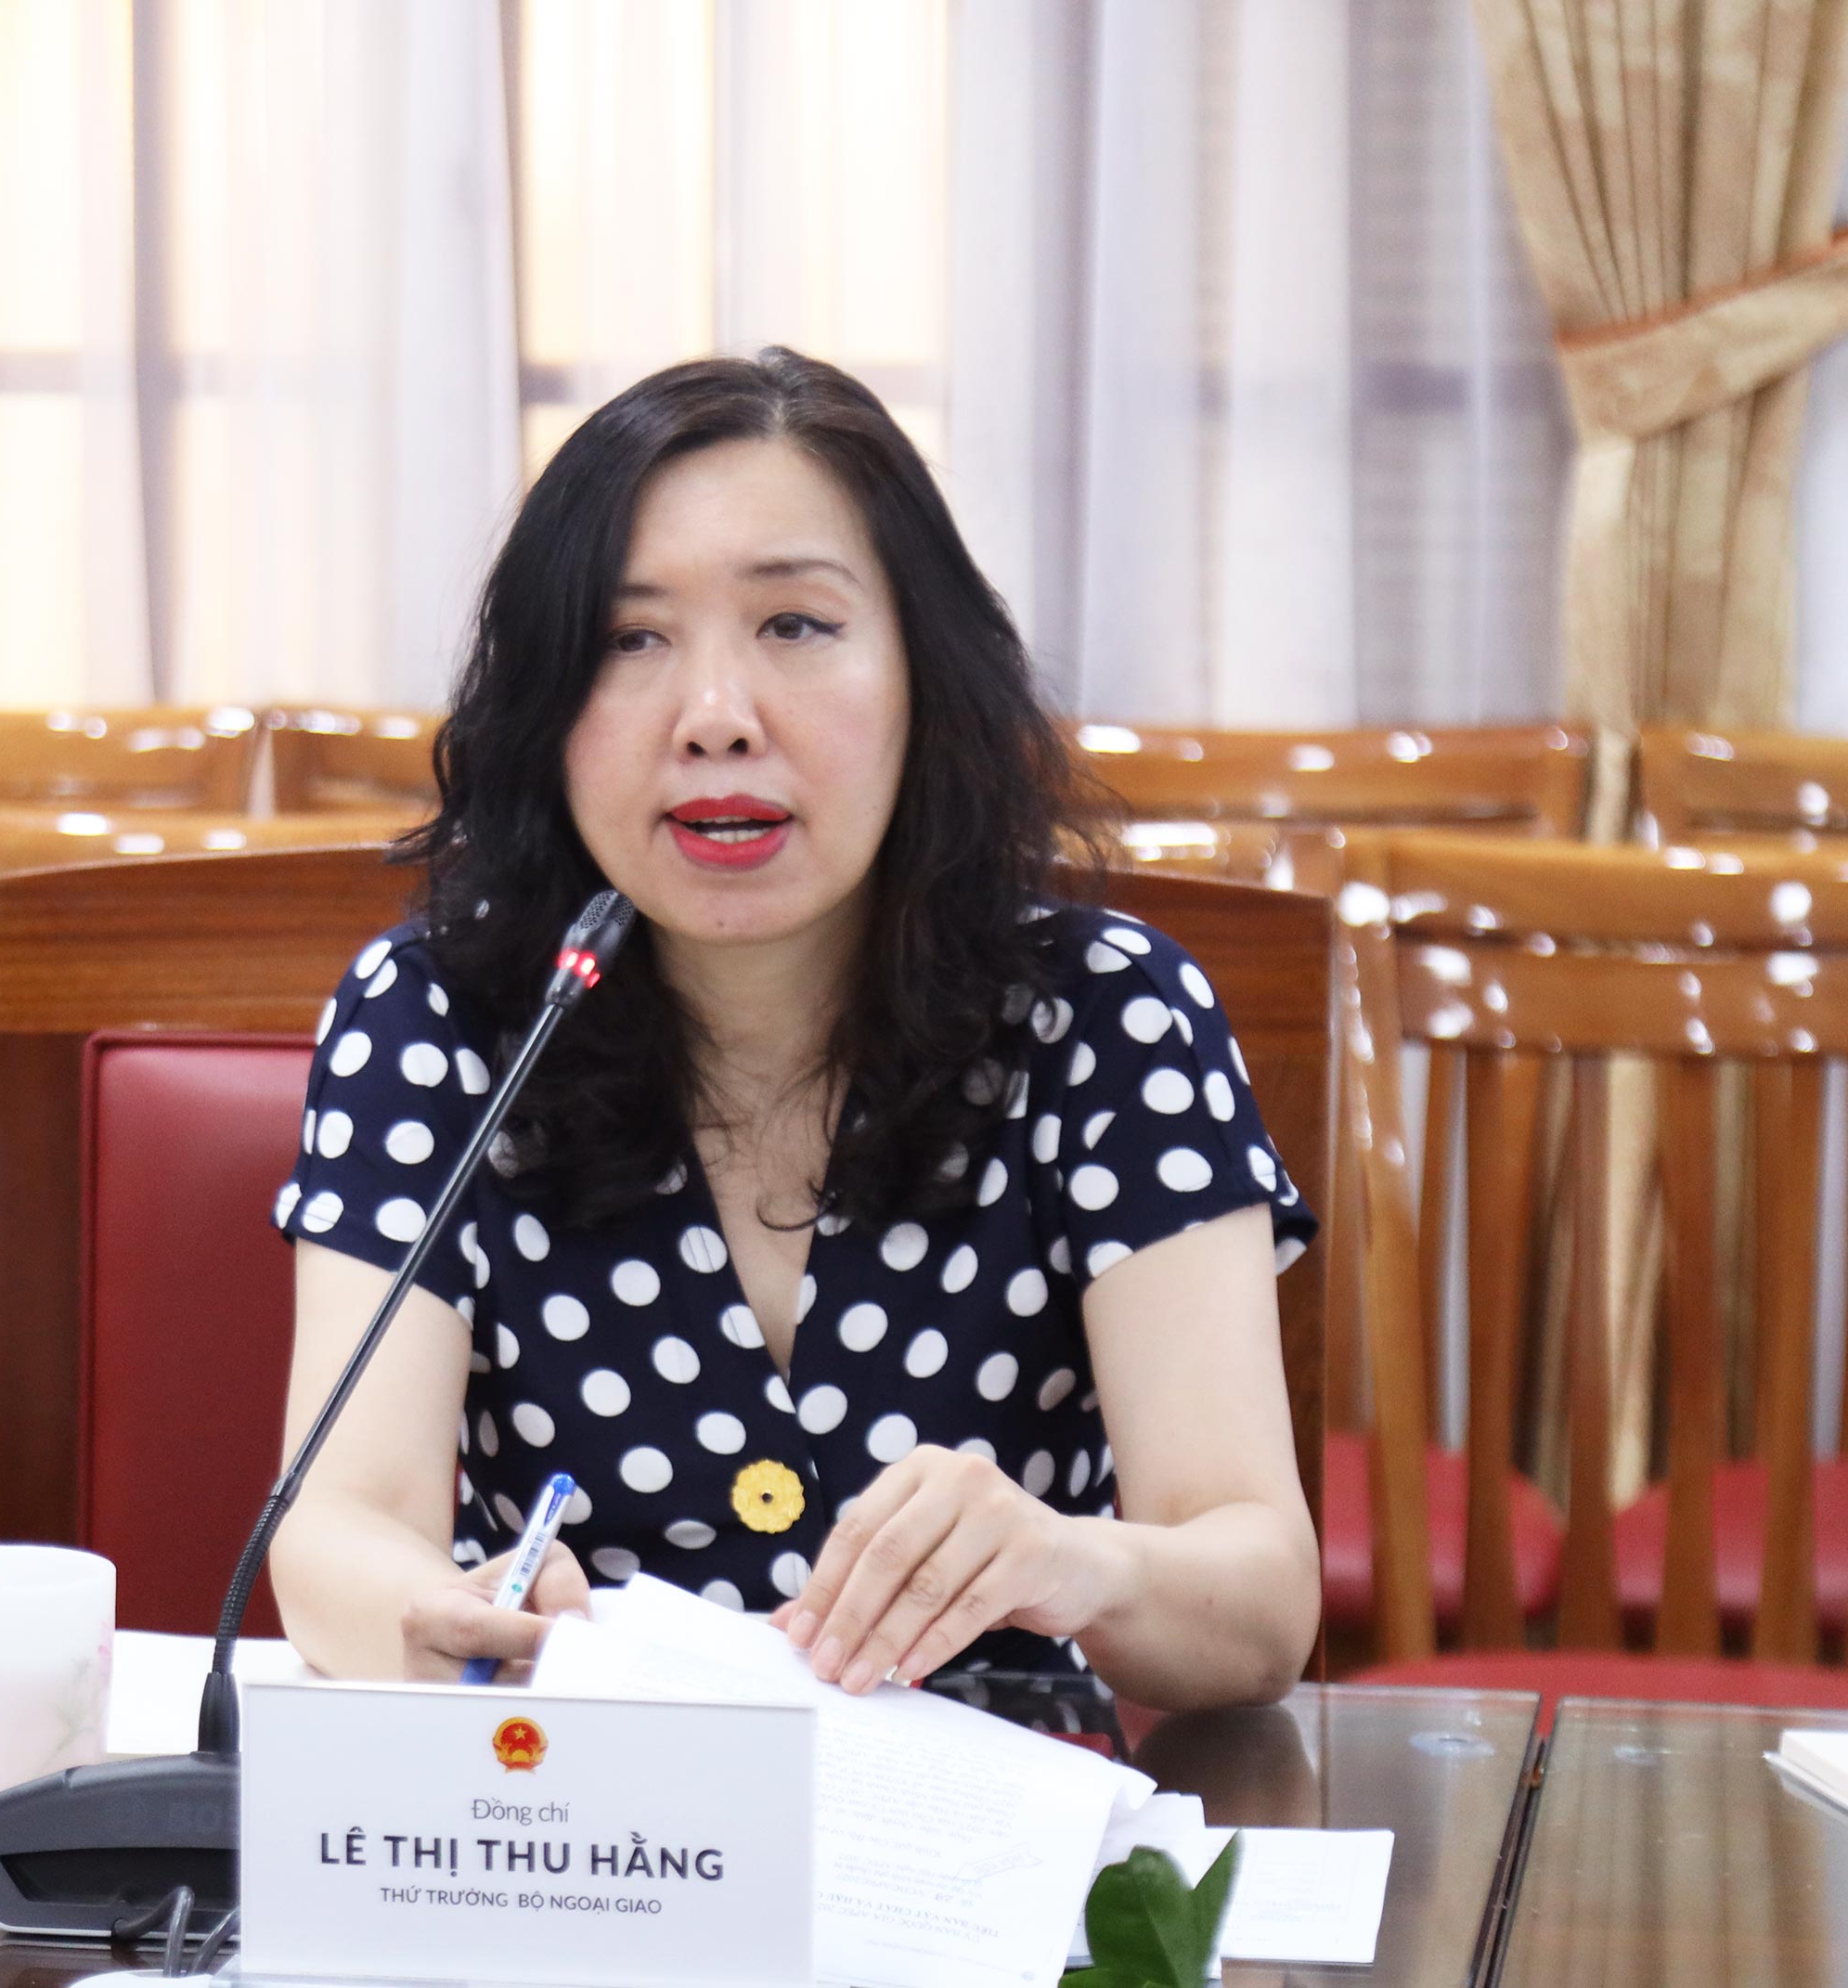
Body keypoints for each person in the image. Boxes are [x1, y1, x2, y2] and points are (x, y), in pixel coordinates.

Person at [265, 349, 1319, 1712]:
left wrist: (1075, 1563)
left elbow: (1259, 1597)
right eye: (629, 640)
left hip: (983, 1819)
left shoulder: (1107, 1016)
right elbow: (338, 1525)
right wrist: (433, 1617)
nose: (716, 719)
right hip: (584, 1805)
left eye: (796, 626)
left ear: (926, 674)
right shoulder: (439, 1018)